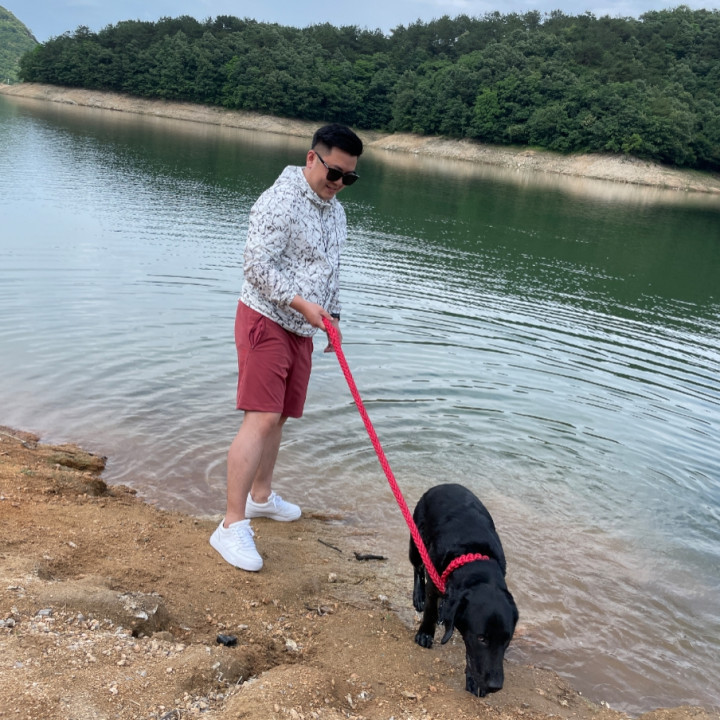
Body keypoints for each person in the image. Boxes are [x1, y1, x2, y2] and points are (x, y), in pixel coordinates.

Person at [210, 123, 364, 572]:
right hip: (266, 318)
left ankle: (260, 498)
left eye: (349, 177)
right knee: (260, 417)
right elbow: (256, 266)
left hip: (304, 328)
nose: (339, 183)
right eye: (334, 173)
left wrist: (333, 318)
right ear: (312, 158)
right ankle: (230, 525)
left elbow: (331, 269)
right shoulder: (280, 200)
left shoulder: (336, 212)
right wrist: (301, 305)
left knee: (279, 417)